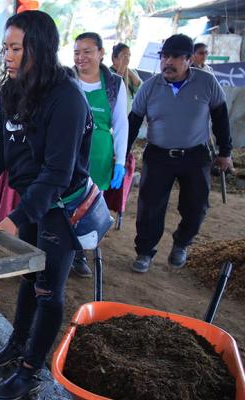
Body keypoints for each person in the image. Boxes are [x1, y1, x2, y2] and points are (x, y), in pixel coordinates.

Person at [0, 11, 93, 400]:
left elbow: (59, 172)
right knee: (28, 275)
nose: (7, 56)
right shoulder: (12, 90)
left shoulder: (67, 98)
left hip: (59, 205)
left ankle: (30, 369)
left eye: (15, 48)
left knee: (48, 289)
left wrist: (18, 215)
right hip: (31, 198)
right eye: (5, 48)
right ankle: (16, 344)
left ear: (38, 49)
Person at [127, 34, 233, 273]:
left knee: (196, 205)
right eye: (164, 56)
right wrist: (123, 153)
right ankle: (144, 252)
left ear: (188, 59)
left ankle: (182, 243)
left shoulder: (207, 83)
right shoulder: (150, 86)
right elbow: (133, 121)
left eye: (174, 57)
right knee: (150, 207)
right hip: (158, 155)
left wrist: (225, 152)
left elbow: (220, 118)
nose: (167, 62)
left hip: (195, 156)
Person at [70, 32, 128, 277]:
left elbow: (121, 123)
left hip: (99, 153)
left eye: (87, 51)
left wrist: (120, 161)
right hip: (70, 150)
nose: (81, 57)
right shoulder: (66, 78)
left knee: (88, 206)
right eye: (76, 52)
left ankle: (81, 252)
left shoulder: (114, 83)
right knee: (65, 202)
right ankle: (68, 252)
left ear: (101, 53)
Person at [110, 42, 142, 111]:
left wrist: (128, 71)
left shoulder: (133, 72)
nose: (127, 59)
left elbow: (140, 89)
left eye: (129, 55)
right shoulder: (108, 72)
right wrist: (122, 67)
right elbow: (115, 89)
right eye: (124, 56)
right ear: (115, 58)